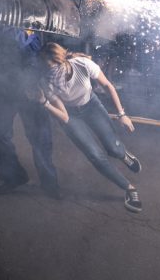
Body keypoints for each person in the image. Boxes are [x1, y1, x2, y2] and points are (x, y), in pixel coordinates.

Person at [39, 42, 143, 213]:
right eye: (46, 68)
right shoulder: (46, 81)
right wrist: (43, 102)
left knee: (113, 149)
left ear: (61, 60)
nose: (51, 72)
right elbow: (64, 116)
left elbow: (108, 86)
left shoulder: (82, 64)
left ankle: (123, 154)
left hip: (91, 106)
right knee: (95, 155)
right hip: (70, 115)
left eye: (53, 66)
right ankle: (129, 188)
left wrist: (121, 114)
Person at [0, 27, 60, 198]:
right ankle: (13, 177)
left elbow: (29, 47)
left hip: (30, 86)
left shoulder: (36, 17)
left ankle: (50, 183)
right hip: (3, 87)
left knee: (40, 137)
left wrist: (32, 82)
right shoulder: (0, 11)